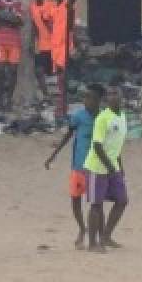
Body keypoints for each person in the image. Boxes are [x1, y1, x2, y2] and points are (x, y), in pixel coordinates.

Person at [43, 84, 103, 248]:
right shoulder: (79, 117)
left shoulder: (103, 118)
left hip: (96, 168)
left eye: (89, 97)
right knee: (75, 201)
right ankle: (82, 228)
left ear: (98, 100)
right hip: (78, 167)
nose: (86, 101)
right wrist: (53, 156)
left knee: (95, 204)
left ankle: (95, 235)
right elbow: (67, 137)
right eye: (84, 97)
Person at [83, 85, 129, 252]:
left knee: (122, 200)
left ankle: (106, 236)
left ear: (122, 96)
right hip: (97, 166)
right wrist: (110, 166)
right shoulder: (103, 118)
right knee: (96, 205)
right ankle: (92, 243)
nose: (112, 97)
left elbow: (116, 146)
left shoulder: (122, 116)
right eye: (109, 94)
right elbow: (97, 145)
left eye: (115, 93)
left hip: (113, 166)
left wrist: (119, 167)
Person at [29, 0, 54, 99]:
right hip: (41, 45)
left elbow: (53, 24)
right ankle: (46, 95)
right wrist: (31, 42)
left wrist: (47, 22)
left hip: (53, 44)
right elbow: (34, 25)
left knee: (54, 71)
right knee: (38, 71)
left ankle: (59, 95)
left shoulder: (50, 5)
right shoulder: (32, 7)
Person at [49, 0, 75, 75]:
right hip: (55, 43)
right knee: (58, 71)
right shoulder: (53, 6)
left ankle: (64, 89)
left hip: (65, 42)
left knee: (63, 68)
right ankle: (61, 90)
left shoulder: (68, 4)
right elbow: (51, 22)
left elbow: (71, 23)